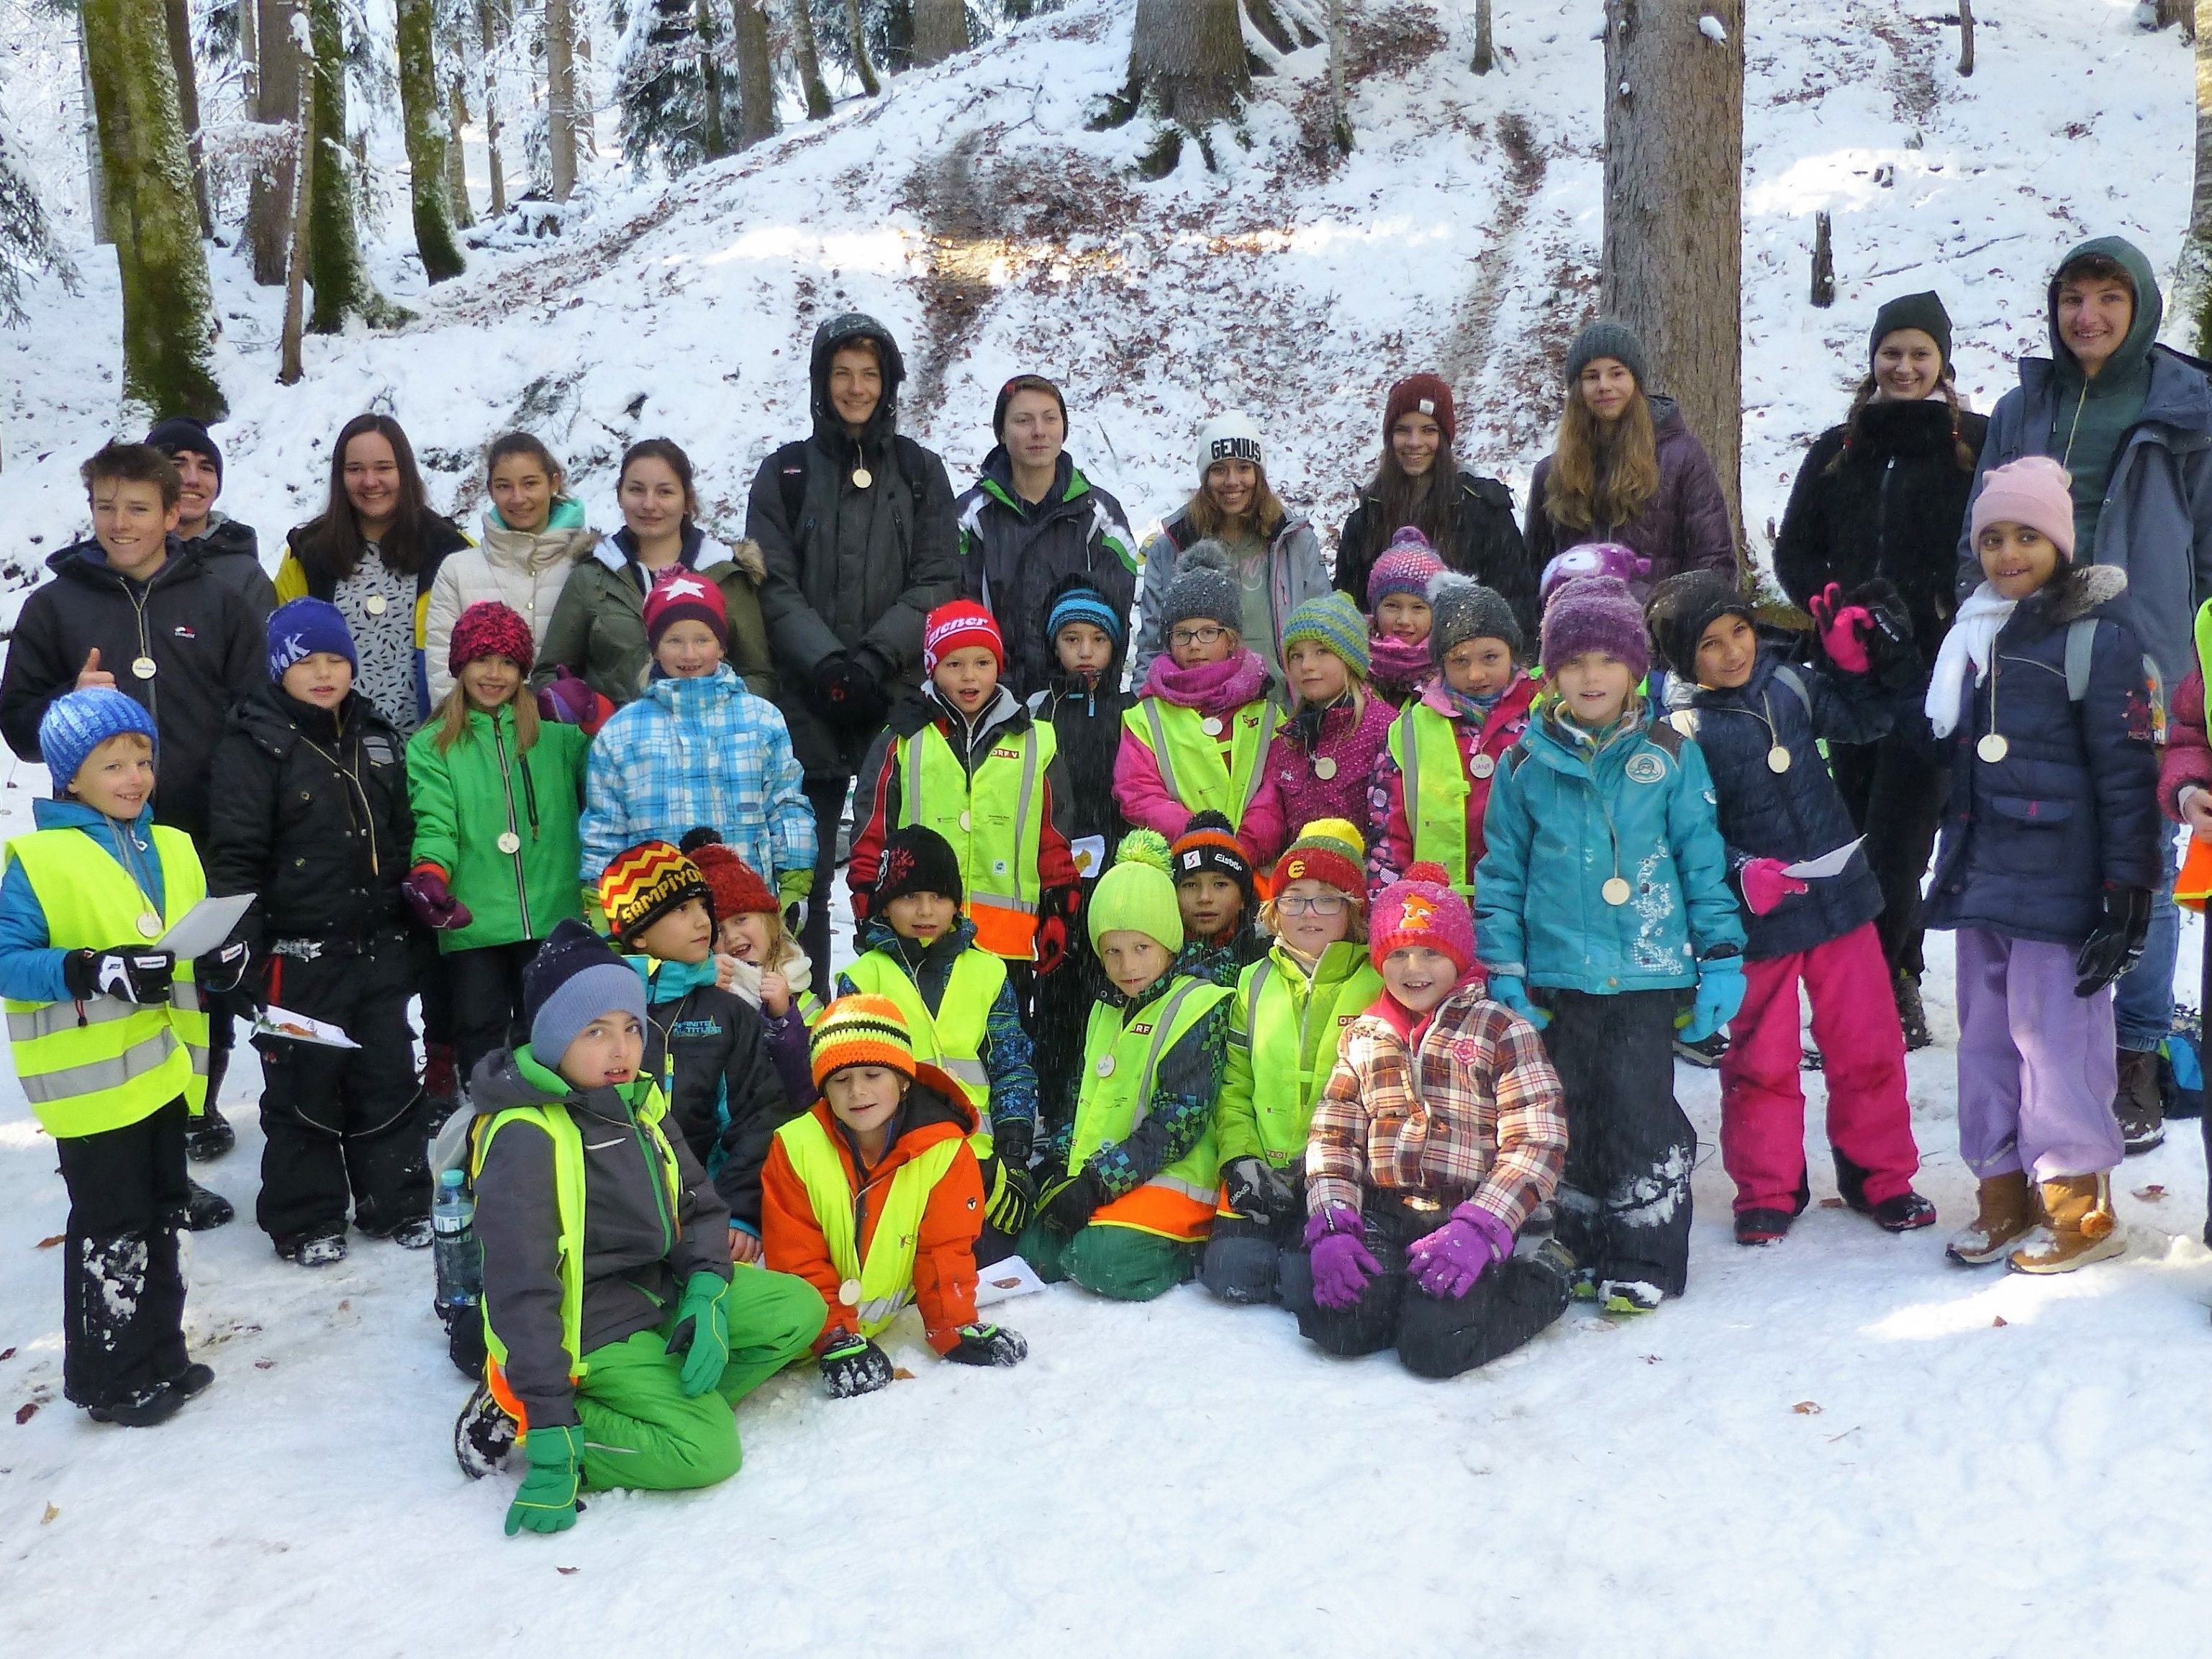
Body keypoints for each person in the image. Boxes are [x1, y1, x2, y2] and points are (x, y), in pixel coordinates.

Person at [1962, 237, 2212, 1155]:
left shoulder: (2183, 406)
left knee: (2133, 842)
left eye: (2108, 298)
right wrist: (1977, 621)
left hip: (2144, 654)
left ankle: (2134, 1049)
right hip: (2027, 650)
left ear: (2138, 306)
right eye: (2073, 297)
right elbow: (1976, 529)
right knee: (2045, 834)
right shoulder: (2024, 405)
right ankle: (2050, 1042)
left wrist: (2192, 662)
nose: (2088, 316)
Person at [452, 919, 825, 1530]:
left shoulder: (639, 1100)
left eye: (630, 1027)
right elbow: (523, 1293)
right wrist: (548, 1430)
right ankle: (526, 1413)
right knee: (706, 1451)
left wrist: (705, 1291)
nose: (622, 1049)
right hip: (590, 1325)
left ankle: (665, 1398)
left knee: (798, 1310)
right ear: (552, 1040)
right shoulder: (526, 1137)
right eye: (595, 1031)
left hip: (659, 1290)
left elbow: (698, 1204)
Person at [1475, 576, 1746, 1312]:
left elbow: (1700, 857)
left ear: (1634, 667)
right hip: (1558, 975)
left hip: (1646, 972)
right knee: (1571, 1116)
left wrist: (1719, 953)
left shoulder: (1668, 753)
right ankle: (1583, 1243)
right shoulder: (1524, 762)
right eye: (1572, 661)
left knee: (1638, 1113)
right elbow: (1499, 869)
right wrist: (1503, 965)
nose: (1589, 676)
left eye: (1605, 659)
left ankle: (1646, 1253)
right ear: (1550, 672)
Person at [0, 442, 265, 1181]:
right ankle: (126, 1139)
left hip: (195, 828)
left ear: (175, 510)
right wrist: (67, 703)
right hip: (96, 838)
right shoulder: (54, 604)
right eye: (105, 506)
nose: (119, 522)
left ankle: (196, 1106)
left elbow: (254, 709)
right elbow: (16, 719)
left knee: (196, 972)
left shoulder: (216, 599)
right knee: (122, 974)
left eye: (137, 507)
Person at [1646, 571, 1935, 1245]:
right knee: (1760, 1063)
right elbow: (1676, 832)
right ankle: (1768, 1189)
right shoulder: (1674, 731)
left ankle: (1882, 1177)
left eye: (1740, 631)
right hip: (1758, 923)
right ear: (1681, 657)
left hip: (1839, 900)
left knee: (1868, 1043)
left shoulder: (1792, 684)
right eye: (1710, 644)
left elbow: (1869, 719)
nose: (1732, 652)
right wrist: (1742, 871)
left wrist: (1858, 663)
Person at [1926, 458, 2161, 1273]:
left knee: (2056, 1042)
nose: (2007, 552)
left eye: (2026, 535)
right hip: (1982, 870)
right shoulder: (1969, 635)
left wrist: (2127, 890)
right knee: (1985, 1040)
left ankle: (2078, 1205)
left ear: (2058, 543)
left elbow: (2127, 778)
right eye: (1991, 537)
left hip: (2061, 882)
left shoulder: (2098, 638)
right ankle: (2001, 1192)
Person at [0, 691, 235, 1424]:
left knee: (166, 1213)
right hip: (91, 1088)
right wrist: (86, 968)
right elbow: (9, 959)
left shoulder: (172, 844)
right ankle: (108, 1375)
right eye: (113, 765)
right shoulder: (38, 859)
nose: (135, 776)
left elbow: (187, 946)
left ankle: (160, 1348)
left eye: (143, 760)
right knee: (113, 1224)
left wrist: (223, 964)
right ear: (71, 777)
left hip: (164, 1070)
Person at [1774, 292, 1990, 1049]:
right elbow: (1794, 548)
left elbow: (1993, 550)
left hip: (1932, 675)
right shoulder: (1838, 448)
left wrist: (1952, 617)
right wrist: (1825, 604)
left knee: (1901, 838)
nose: (1902, 366)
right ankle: (1876, 976)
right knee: (1852, 829)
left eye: (1918, 353)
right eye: (1890, 353)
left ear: (1940, 363)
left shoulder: (1974, 446)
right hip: (1845, 675)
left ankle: (1877, 986)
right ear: (1872, 360)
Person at [208, 600, 430, 1265]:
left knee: (389, 1077)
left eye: (336, 659)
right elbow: (236, 858)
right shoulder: (254, 744)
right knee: (304, 1090)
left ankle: (396, 1201)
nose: (324, 673)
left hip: (377, 944)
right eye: (307, 661)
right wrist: (241, 943)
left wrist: (416, 899)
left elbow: (402, 832)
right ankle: (306, 1219)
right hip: (296, 956)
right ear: (280, 668)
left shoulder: (377, 733)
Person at [1292, 865, 1574, 1377]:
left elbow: (1538, 1140)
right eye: (1397, 953)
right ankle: (1399, 1296)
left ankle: (1543, 1277)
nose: (1413, 967)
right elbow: (1333, 1137)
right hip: (1390, 1211)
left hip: (1474, 1217)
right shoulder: (1364, 1036)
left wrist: (1483, 1224)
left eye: (1430, 952)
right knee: (1335, 1324)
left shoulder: (1500, 1030)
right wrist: (1332, 1223)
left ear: (1459, 956)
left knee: (1433, 1348)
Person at [749, 313, 960, 991]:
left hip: (891, 697)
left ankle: (892, 1003)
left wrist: (870, 659)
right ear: (821, 380)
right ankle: (803, 1008)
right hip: (803, 700)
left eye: (869, 374)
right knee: (798, 871)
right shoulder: (783, 471)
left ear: (889, 383)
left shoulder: (921, 472)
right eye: (842, 372)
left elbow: (937, 577)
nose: (855, 387)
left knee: (898, 867)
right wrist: (825, 662)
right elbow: (771, 580)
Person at [761, 994, 1026, 1396]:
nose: (857, 1093)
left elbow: (946, 1248)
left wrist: (954, 1326)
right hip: (798, 1319)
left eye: (872, 1074)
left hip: (872, 1318)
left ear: (904, 1081)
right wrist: (834, 1335)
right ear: (824, 1089)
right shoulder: (794, 1146)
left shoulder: (945, 1149)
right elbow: (797, 1254)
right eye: (841, 1079)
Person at [1015, 830, 1230, 1301]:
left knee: (1099, 1263)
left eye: (1141, 948)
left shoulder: (1199, 1005)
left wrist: (1096, 1184)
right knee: (1035, 1253)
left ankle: (1183, 1251)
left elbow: (1179, 1123)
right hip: (1102, 1174)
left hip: (1168, 1182)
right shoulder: (1105, 1007)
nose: (1126, 965)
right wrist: (1057, 1164)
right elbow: (1079, 1096)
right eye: (1111, 950)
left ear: (1170, 944)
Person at [404, 602, 591, 1092]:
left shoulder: (556, 735)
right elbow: (435, 820)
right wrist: (431, 873)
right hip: (476, 918)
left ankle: (556, 1127)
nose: (494, 674)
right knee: (480, 1033)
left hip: (552, 912)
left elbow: (609, 775)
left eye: (508, 662)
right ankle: (485, 1128)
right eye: (481, 659)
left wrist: (594, 716)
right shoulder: (432, 744)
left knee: (549, 1028)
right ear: (459, 665)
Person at [834, 824, 1039, 1262]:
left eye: (940, 897)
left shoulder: (989, 972)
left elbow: (1011, 1065)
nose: (926, 910)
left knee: (996, 1255)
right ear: (886, 906)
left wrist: (1015, 1151)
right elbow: (852, 1084)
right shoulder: (864, 978)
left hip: (979, 1157)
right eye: (910, 897)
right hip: (900, 1157)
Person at [1200, 820, 1381, 1306]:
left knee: (1310, 1283)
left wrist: (1321, 1170)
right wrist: (1241, 1159)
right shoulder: (1252, 982)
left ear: (1352, 909)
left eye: (1326, 898)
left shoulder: (1377, 983)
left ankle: (1300, 1258)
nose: (1308, 912)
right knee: (1226, 1272)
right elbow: (1234, 1085)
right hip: (1264, 1169)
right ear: (1274, 910)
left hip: (1337, 1176)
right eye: (1293, 898)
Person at [846, 601, 1082, 970]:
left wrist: (1058, 904)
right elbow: (873, 825)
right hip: (918, 935)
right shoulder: (903, 738)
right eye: (954, 664)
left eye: (982, 663)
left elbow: (1053, 837)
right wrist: (866, 890)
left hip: (1006, 943)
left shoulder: (1036, 740)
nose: (969, 676)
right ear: (933, 668)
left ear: (998, 667)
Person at [597, 839, 801, 1264]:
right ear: (638, 935)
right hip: (614, 1219)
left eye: (701, 907)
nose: (703, 921)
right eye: (680, 910)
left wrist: (740, 1211)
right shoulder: (599, 1010)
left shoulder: (728, 1012)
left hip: (709, 1214)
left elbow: (758, 1116)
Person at [579, 571, 815, 909]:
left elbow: (785, 804)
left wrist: (794, 873)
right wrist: (601, 898)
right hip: (659, 912)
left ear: (721, 644)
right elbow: (606, 826)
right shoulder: (622, 732)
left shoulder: (760, 719)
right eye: (674, 640)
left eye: (702, 640)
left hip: (747, 906)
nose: (689, 653)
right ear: (655, 647)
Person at [535, 437, 775, 709]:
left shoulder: (725, 575)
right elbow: (550, 673)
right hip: (615, 744)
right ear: (619, 495)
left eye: (665, 492)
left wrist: (723, 714)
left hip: (710, 746)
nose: (649, 505)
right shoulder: (592, 576)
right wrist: (580, 708)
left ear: (687, 500)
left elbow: (758, 675)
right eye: (636, 490)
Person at [275, 414, 471, 737]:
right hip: (332, 752)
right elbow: (283, 659)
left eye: (383, 468)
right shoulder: (307, 555)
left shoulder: (451, 552)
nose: (369, 481)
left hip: (428, 753)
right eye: (355, 470)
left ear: (404, 472)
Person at [1025, 578, 1136, 1131]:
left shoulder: (1133, 709)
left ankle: (1102, 1110)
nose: (1086, 651)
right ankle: (1052, 1107)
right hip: (1055, 873)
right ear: (1055, 646)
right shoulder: (1036, 712)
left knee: (1111, 987)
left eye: (1098, 639)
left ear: (1115, 648)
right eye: (1072, 639)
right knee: (1056, 994)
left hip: (1118, 869)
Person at [956, 374, 1138, 701]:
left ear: (1063, 430)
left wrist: (1088, 694)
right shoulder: (970, 517)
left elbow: (1113, 621)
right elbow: (959, 612)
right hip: (994, 702)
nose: (1038, 431)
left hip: (1079, 702)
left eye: (1050, 419)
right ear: (1002, 432)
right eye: (1023, 421)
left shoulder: (1099, 516)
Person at [1523, 319, 1735, 596]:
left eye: (1616, 374)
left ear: (1635, 382)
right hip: (1575, 631)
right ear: (1577, 389)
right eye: (1591, 376)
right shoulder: (1550, 473)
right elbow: (1533, 573)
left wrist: (1668, 618)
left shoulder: (1682, 456)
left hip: (1660, 631)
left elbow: (1714, 560)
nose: (1604, 386)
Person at [1130, 412, 1329, 687]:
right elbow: (1153, 644)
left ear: (1258, 474)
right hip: (1202, 712)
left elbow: (1324, 629)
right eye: (1219, 469)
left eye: (1244, 468)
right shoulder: (1173, 546)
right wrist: (1147, 705)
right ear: (1205, 477)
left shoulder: (1294, 541)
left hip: (1285, 705)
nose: (1232, 481)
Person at [1333, 374, 1536, 637]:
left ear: (1445, 438)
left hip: (1465, 666)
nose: (1414, 443)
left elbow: (1517, 603)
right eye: (1402, 430)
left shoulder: (1484, 514)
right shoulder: (1367, 520)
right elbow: (1347, 609)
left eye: (1428, 430)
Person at [1116, 545, 1284, 861]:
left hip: (1255, 866)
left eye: (1209, 632)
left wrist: (1245, 847)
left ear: (1231, 639)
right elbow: (1139, 793)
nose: (1194, 645)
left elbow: (1274, 793)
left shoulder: (1267, 714)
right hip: (1176, 864)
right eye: (1182, 634)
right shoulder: (1146, 717)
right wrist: (1198, 835)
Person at [1372, 575, 1537, 894]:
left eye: (1490, 657)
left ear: (1512, 654)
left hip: (1528, 905)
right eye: (1460, 661)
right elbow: (1389, 835)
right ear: (1441, 665)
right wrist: (1389, 905)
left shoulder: (1541, 719)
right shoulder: (1409, 729)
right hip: (1433, 911)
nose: (1476, 675)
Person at [425, 434, 599, 706]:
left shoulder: (587, 564)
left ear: (553, 482)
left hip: (567, 736)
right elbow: (442, 671)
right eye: (504, 486)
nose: (518, 498)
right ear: (490, 490)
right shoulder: (457, 571)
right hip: (481, 738)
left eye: (530, 484)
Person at [1242, 591, 1395, 863]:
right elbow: (1273, 820)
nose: (1307, 666)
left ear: (1349, 658)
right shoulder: (1287, 739)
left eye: (1322, 651)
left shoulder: (1384, 728)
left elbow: (1392, 829)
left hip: (1364, 886)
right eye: (1296, 656)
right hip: (1301, 885)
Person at [683, 828, 817, 1106]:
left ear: (768, 920)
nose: (731, 937)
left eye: (741, 919)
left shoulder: (798, 980)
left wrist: (783, 1018)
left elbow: (810, 1083)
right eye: (718, 930)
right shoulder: (703, 988)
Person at [145, 415, 277, 617]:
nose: (193, 479)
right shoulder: (113, 561)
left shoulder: (244, 577)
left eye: (206, 468)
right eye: (177, 465)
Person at [1171, 811, 1264, 987]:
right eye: (1190, 885)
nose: (1205, 898)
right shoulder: (1157, 956)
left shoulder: (1266, 953)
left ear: (1243, 898)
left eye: (1220, 885)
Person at [1362, 528, 1445, 709]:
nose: (1404, 620)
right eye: (1392, 606)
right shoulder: (1352, 668)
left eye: (1418, 607)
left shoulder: (1451, 673)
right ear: (1376, 611)